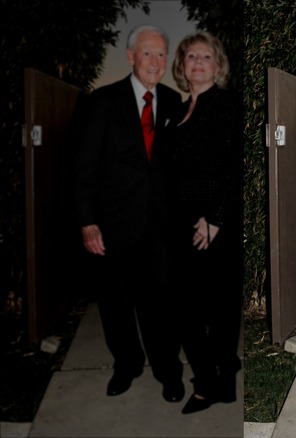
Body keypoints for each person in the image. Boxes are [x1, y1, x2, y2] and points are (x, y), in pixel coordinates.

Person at [73, 24, 184, 402]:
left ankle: (169, 371)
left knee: (162, 305)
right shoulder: (103, 101)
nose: (155, 62)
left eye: (161, 54)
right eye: (148, 53)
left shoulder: (174, 102)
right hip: (114, 227)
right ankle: (127, 365)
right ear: (131, 56)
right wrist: (88, 222)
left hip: (161, 230)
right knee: (116, 304)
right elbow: (84, 168)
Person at [166, 31, 243, 415]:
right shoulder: (178, 111)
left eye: (205, 57)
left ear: (218, 65)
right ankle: (217, 377)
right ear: (181, 66)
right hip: (180, 220)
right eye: (190, 57)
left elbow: (233, 167)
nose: (197, 62)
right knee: (187, 308)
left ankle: (215, 384)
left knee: (218, 307)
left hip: (215, 221)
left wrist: (214, 219)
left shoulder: (227, 105)